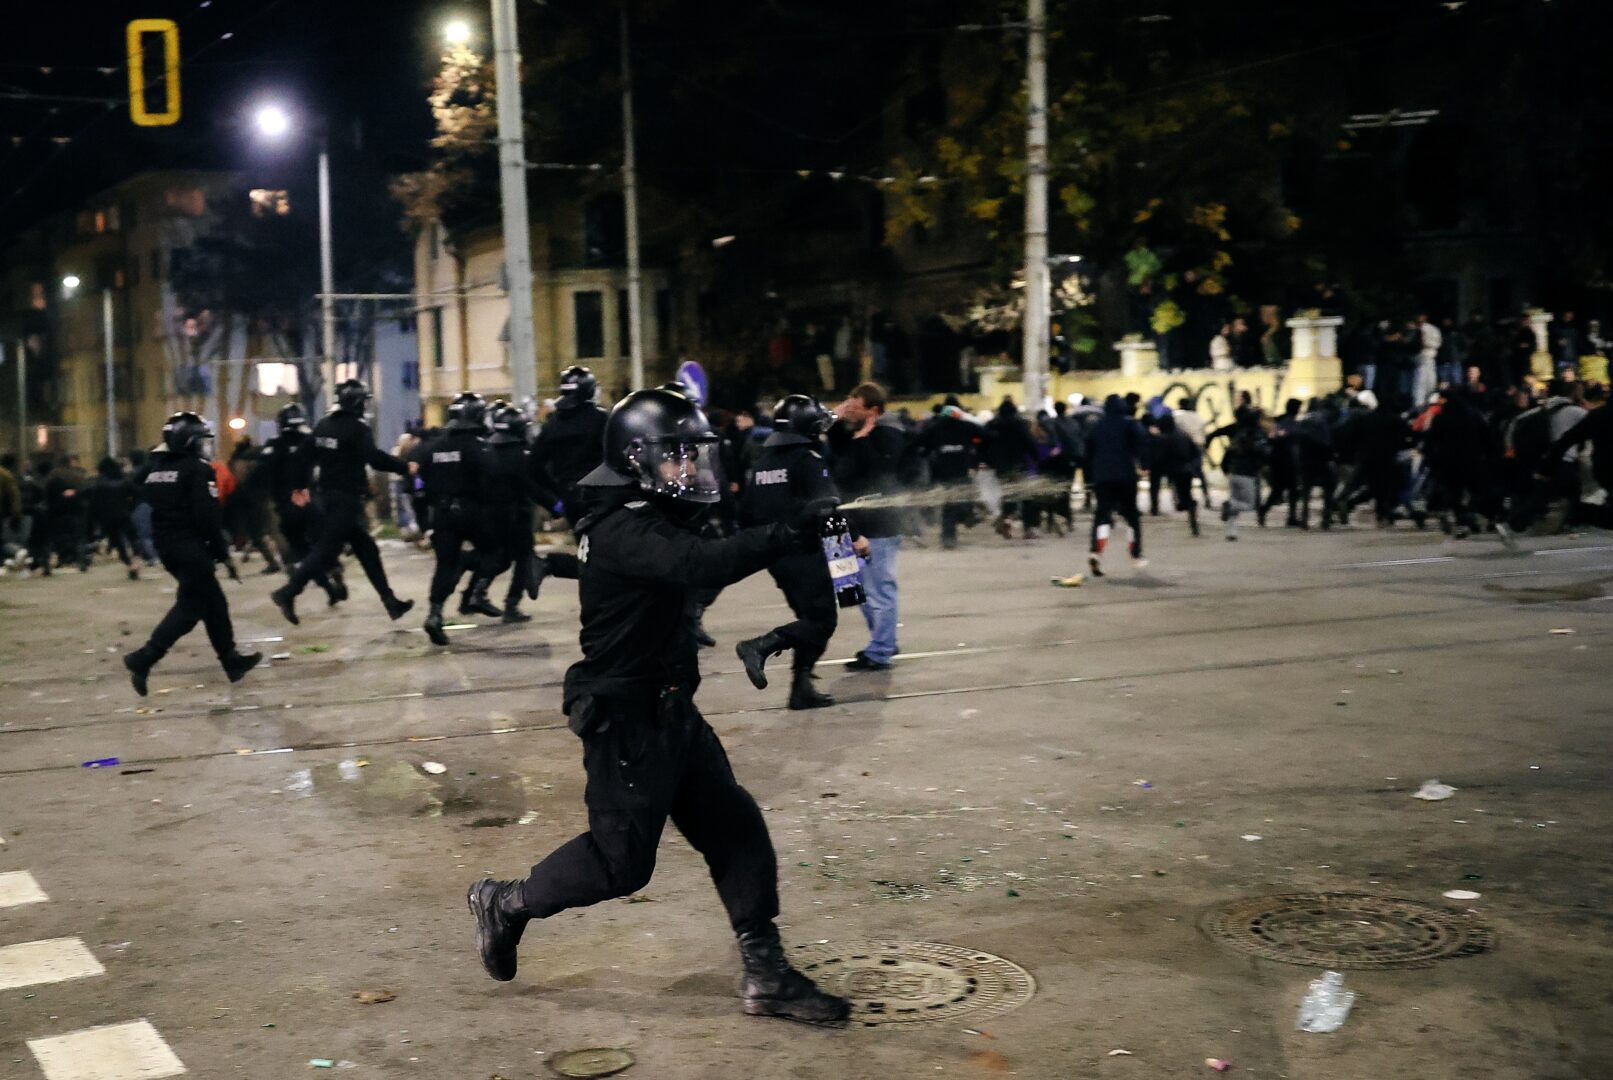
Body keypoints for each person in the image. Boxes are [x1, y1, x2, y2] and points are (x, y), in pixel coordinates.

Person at [466, 387, 849, 1025]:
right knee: (620, 865)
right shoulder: (623, 526)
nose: (689, 468)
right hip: (626, 722)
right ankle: (505, 903)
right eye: (677, 455)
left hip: (670, 710)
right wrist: (786, 533)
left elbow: (688, 558)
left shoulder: (639, 516)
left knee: (736, 829)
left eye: (693, 456)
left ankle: (767, 975)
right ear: (636, 457)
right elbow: (702, 564)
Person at [122, 413, 261, 695]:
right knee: (191, 607)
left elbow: (139, 491)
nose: (205, 447)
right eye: (201, 441)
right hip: (191, 548)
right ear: (189, 442)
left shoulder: (157, 468)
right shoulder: (198, 470)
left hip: (167, 547)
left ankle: (231, 660)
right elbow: (207, 518)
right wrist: (222, 554)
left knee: (214, 603)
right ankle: (145, 657)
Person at [269, 379, 415, 625]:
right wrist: (404, 467)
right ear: (357, 402)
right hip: (346, 499)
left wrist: (299, 487)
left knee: (367, 550)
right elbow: (374, 458)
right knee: (325, 550)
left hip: (327, 497)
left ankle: (391, 602)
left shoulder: (324, 425)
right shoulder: (357, 428)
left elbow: (302, 457)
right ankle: (288, 592)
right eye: (364, 401)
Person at [733, 394, 841, 710]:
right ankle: (760, 646)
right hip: (805, 552)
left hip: (776, 557)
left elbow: (746, 514)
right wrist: (850, 545)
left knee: (807, 621)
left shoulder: (762, 463)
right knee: (822, 622)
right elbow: (827, 507)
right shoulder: (808, 460)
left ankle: (801, 689)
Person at [828, 381, 905, 671]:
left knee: (879, 590)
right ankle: (884, 640)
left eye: (855, 406)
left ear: (873, 410)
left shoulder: (889, 435)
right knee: (855, 591)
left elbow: (878, 472)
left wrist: (862, 439)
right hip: (849, 526)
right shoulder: (847, 433)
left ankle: (881, 651)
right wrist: (835, 416)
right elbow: (837, 461)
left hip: (879, 528)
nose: (849, 409)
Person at [419, 392, 499, 646]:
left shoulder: (434, 446)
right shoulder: (477, 445)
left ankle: (435, 614)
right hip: (471, 511)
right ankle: (477, 592)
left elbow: (421, 481)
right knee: (495, 550)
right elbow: (492, 475)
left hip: (442, 514)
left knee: (445, 565)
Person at [262, 404, 346, 606]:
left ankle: (328, 588)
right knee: (322, 546)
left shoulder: (274, 446)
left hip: (288, 509)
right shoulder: (313, 442)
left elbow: (261, 475)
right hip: (313, 503)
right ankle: (334, 569)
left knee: (304, 552)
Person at [478, 401, 551, 624]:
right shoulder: (520, 455)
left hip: (491, 515)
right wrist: (554, 505)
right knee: (524, 558)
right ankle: (511, 604)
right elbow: (531, 487)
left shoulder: (487, 452)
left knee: (501, 556)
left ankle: (478, 590)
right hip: (516, 516)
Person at [531, 365, 608, 531]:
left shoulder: (551, 425)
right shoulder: (601, 419)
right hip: (601, 496)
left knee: (583, 539)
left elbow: (534, 467)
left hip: (569, 496)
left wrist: (555, 498)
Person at [1081, 394, 1146, 579]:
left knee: (1102, 514)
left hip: (1102, 477)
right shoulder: (1130, 424)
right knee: (1131, 515)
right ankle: (1135, 554)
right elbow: (1141, 444)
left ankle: (1095, 552)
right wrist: (1144, 465)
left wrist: (1090, 477)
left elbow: (1087, 453)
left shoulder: (1096, 426)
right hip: (1126, 476)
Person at [919, 397, 985, 549]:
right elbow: (986, 437)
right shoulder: (966, 425)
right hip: (960, 470)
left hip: (941, 471)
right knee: (957, 500)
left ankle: (951, 532)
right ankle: (959, 524)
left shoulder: (935, 426)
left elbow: (921, 443)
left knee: (951, 502)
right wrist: (977, 455)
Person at [1208, 409, 1269, 540]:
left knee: (1235, 500)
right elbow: (1263, 453)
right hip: (1247, 474)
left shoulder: (1239, 434)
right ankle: (1229, 505)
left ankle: (1231, 532)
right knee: (1249, 504)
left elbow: (1229, 453)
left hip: (1233, 472)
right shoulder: (1257, 435)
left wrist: (1226, 469)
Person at [88, 456, 143, 579]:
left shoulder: (98, 484)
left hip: (107, 518)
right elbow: (138, 493)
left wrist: (96, 520)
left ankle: (128, 563)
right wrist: (130, 505)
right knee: (133, 538)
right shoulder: (124, 481)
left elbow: (94, 503)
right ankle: (136, 559)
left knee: (118, 543)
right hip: (124, 514)